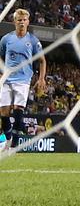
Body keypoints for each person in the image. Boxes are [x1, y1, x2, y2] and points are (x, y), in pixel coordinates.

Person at [0, 9, 45, 151]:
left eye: (24, 20)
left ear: (28, 22)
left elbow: (42, 61)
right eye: (19, 20)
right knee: (4, 113)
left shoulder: (33, 41)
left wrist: (41, 78)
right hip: (7, 80)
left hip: (23, 80)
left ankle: (14, 144)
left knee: (18, 111)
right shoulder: (6, 39)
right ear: (14, 22)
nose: (22, 22)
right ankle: (8, 139)